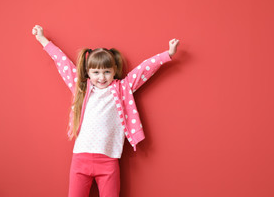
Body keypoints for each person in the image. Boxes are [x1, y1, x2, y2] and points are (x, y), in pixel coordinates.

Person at [32, 25, 180, 197]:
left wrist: (167, 54)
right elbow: (62, 62)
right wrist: (42, 39)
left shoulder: (122, 88)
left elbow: (143, 69)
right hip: (80, 159)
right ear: (88, 72)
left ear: (114, 71)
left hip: (109, 161)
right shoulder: (81, 87)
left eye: (107, 72)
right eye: (96, 72)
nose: (101, 77)